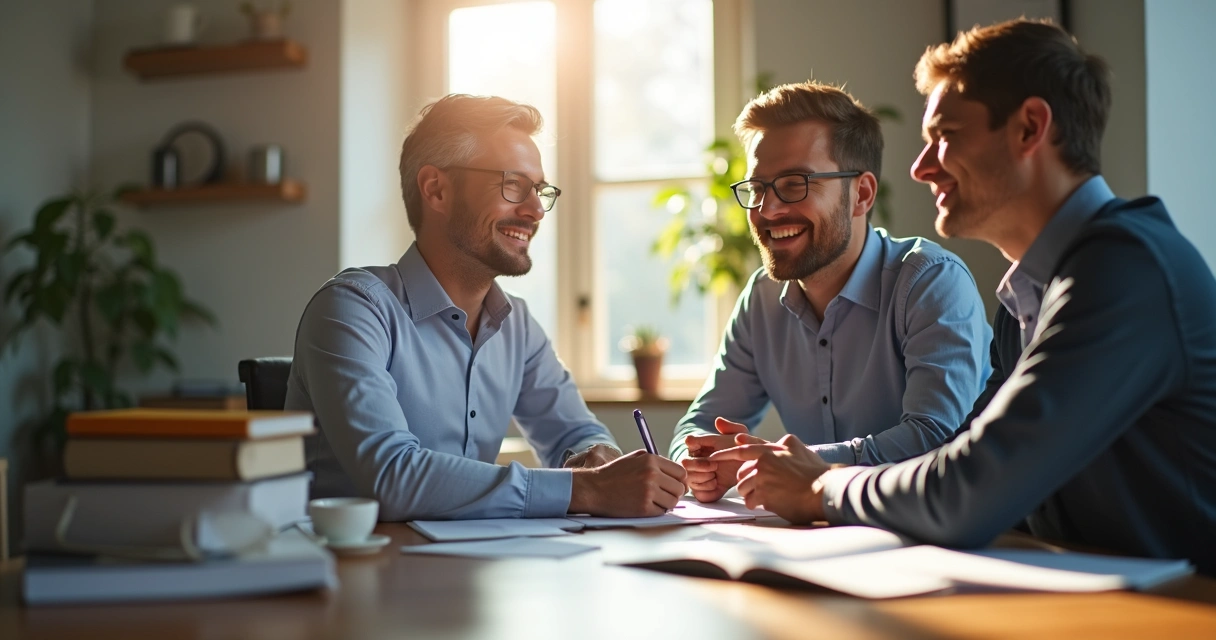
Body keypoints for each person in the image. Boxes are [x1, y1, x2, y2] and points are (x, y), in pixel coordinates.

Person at [711, 19, 1216, 575]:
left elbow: (967, 489)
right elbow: (962, 462)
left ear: (1029, 128)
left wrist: (823, 486)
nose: (921, 167)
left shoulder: (1126, 269)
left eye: (945, 135)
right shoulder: (1027, 294)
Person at [285, 94, 687, 521]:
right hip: (348, 576)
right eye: (513, 185)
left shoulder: (517, 326)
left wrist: (594, 456)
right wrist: (584, 489)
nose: (535, 210)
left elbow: (574, 431)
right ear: (436, 190)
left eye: (539, 190)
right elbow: (392, 476)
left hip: (470, 571)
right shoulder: (353, 310)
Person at [670, 81, 992, 503]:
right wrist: (698, 460)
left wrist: (795, 466)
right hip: (822, 535)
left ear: (861, 194)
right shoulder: (762, 299)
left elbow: (934, 441)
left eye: (795, 183)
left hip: (947, 534)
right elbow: (701, 423)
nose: (767, 210)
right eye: (758, 187)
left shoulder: (931, 282)